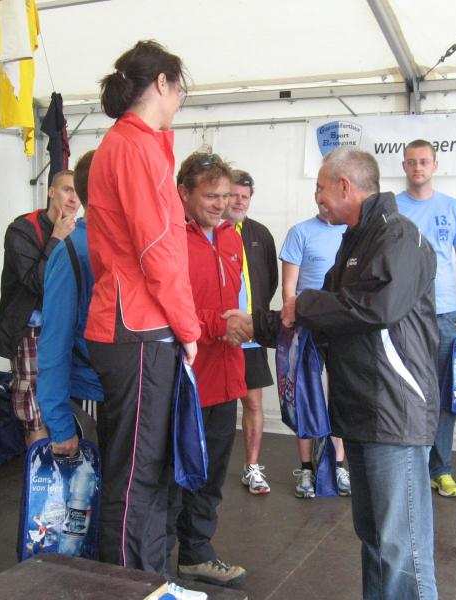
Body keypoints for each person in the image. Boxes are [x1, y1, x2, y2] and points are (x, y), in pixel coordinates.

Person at [280, 147, 439, 599]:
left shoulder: (399, 236)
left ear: (345, 186)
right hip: (362, 410)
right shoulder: (354, 241)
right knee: (376, 541)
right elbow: (323, 316)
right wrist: (256, 324)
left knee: (402, 550)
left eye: (320, 188)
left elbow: (376, 308)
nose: (317, 198)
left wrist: (302, 303)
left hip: (394, 413)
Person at [84, 40, 203, 588]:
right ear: (162, 84)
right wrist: (188, 328)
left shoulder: (139, 145)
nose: (179, 101)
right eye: (179, 90)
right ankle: (133, 588)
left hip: (139, 327)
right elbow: (159, 249)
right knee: (134, 476)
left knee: (148, 471)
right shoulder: (133, 147)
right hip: (138, 327)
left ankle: (151, 583)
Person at [168, 152, 248, 588]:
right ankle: (156, 562)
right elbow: (165, 311)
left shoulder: (232, 238)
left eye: (226, 196)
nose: (221, 204)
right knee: (171, 477)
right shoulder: (169, 237)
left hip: (225, 373)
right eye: (211, 196)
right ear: (184, 193)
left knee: (212, 475)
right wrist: (219, 325)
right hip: (182, 378)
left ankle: (196, 555)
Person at [397, 139, 456, 498]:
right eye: (412, 162)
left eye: (424, 161)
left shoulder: (452, 208)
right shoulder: (392, 207)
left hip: (445, 315)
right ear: (404, 166)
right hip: (403, 315)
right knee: (406, 393)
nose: (418, 167)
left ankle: (441, 469)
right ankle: (409, 469)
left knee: (444, 397)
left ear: (435, 165)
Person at [0, 170, 80, 447]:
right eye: (67, 190)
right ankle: (42, 474)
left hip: (67, 330)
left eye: (78, 192)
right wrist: (56, 238)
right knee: (35, 413)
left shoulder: (79, 231)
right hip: (32, 331)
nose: (73, 198)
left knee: (64, 406)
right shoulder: (22, 230)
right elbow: (37, 282)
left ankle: (64, 469)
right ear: (51, 192)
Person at [279, 190, 350, 498]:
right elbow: (289, 289)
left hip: (342, 328)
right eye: (319, 194)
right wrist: (291, 320)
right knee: (305, 396)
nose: (324, 200)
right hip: (307, 327)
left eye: (328, 195)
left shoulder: (353, 233)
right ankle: (307, 469)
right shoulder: (301, 232)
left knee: (340, 396)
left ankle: (338, 466)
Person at [37, 151, 103, 456]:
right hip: (90, 394)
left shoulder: (121, 247)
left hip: (122, 393)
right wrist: (61, 424)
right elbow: (55, 342)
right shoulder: (72, 252)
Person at [222, 169, 278, 495]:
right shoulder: (208, 231)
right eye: (233, 195)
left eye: (245, 197)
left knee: (253, 404)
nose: (239, 201)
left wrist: (256, 320)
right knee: (215, 405)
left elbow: (269, 280)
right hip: (217, 335)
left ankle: (252, 467)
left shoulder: (260, 234)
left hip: (251, 334)